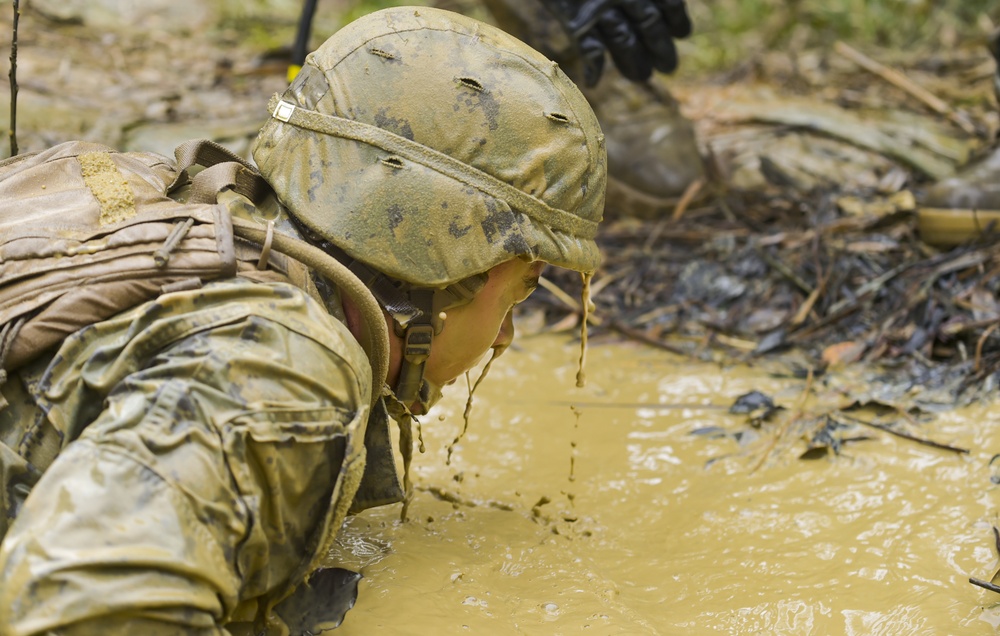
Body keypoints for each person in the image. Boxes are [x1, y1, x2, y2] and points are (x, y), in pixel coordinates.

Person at [0, 6, 605, 635]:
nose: (504, 338)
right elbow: (88, 608)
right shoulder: (284, 369)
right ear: (451, 267)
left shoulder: (145, 188)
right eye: (520, 293)